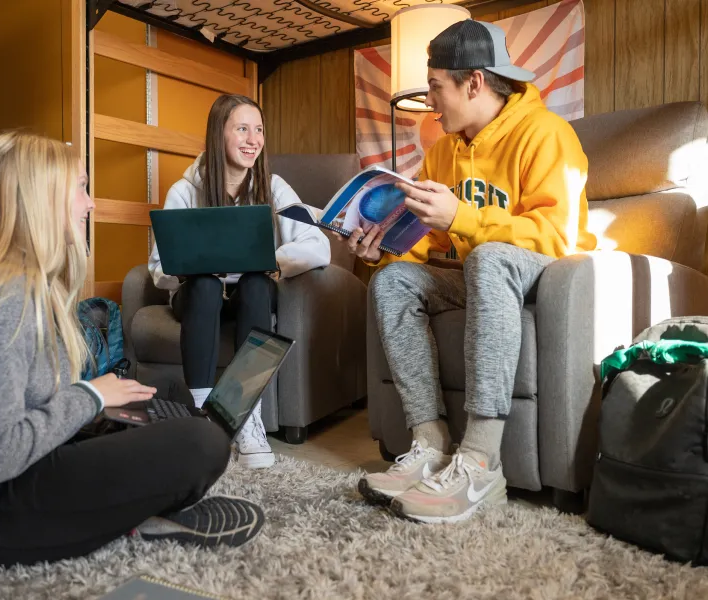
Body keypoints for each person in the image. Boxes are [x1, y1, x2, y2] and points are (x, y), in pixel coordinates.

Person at [0, 132, 264, 570]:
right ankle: (131, 516)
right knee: (201, 443)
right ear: (43, 196)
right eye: (82, 186)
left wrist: (96, 405)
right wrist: (90, 398)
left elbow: (20, 408)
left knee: (150, 419)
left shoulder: (8, 275)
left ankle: (119, 508)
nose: (91, 204)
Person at [347, 19, 598, 523]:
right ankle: (430, 443)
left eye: (436, 87)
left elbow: (558, 236)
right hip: (476, 273)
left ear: (474, 83)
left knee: (488, 256)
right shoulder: (442, 151)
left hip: (542, 277)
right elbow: (433, 238)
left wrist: (463, 216)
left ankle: (482, 461)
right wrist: (382, 252)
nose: (430, 100)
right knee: (393, 281)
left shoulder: (547, 133)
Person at [148, 94, 331, 469]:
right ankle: (202, 419)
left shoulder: (274, 187)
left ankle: (247, 418)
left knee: (255, 283)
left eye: (259, 130)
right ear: (219, 135)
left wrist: (269, 262)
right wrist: (193, 267)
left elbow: (319, 246)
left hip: (251, 292)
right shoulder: (184, 191)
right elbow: (157, 267)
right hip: (199, 295)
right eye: (242, 129)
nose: (253, 139)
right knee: (204, 285)